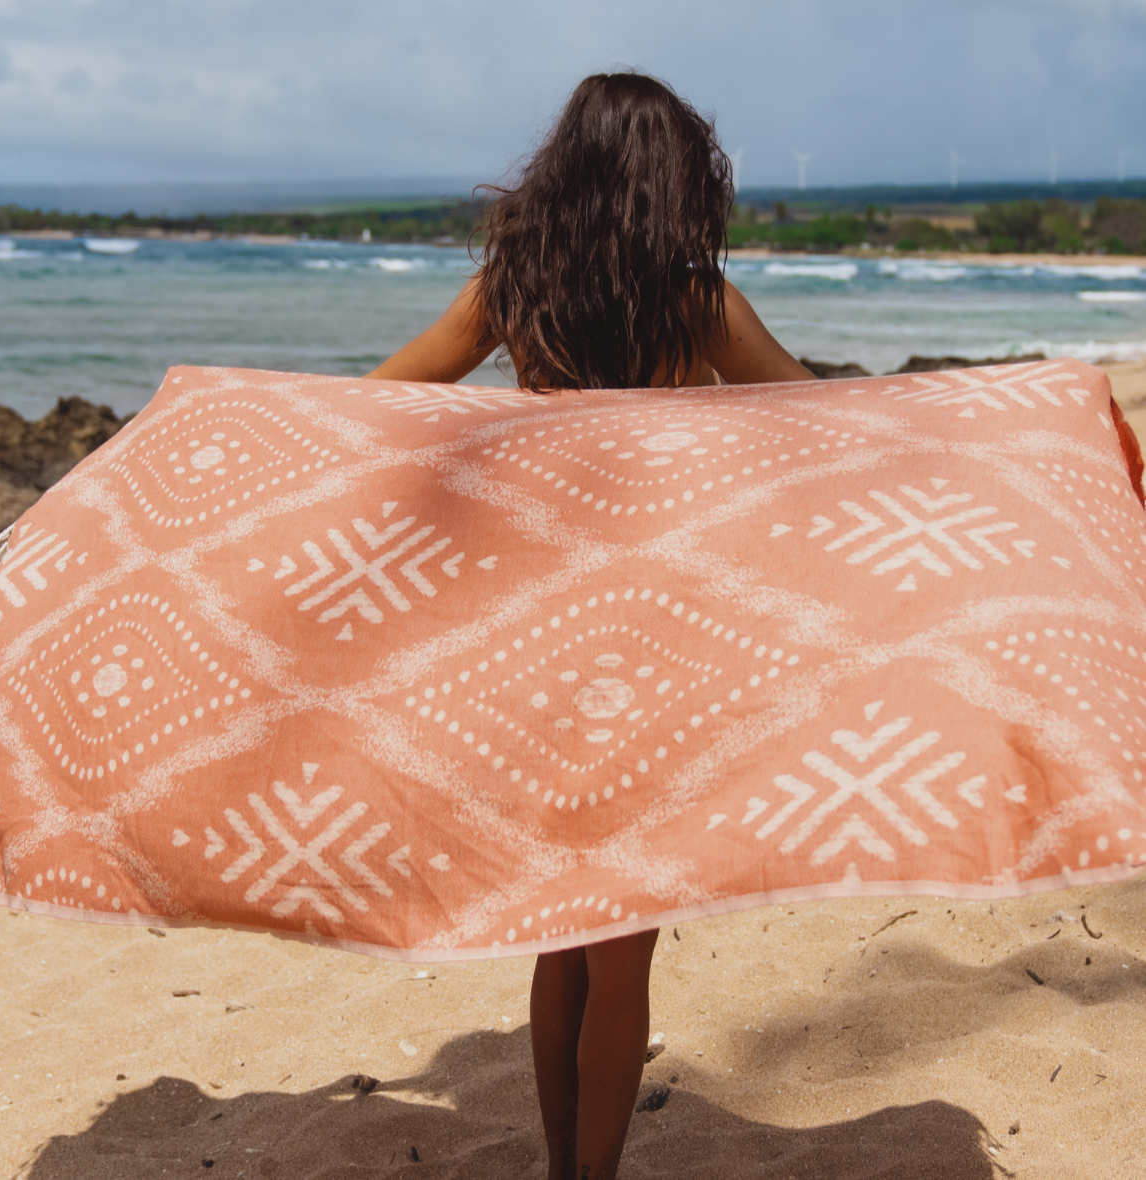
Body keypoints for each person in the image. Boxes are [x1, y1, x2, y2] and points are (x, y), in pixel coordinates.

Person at [369, 71, 812, 1180]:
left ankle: (564, 1165)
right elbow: (822, 428)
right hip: (655, 641)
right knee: (623, 944)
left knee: (563, 922)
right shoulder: (698, 302)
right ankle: (587, 1178)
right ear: (673, 181)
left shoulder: (510, 292)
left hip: (535, 636)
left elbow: (376, 403)